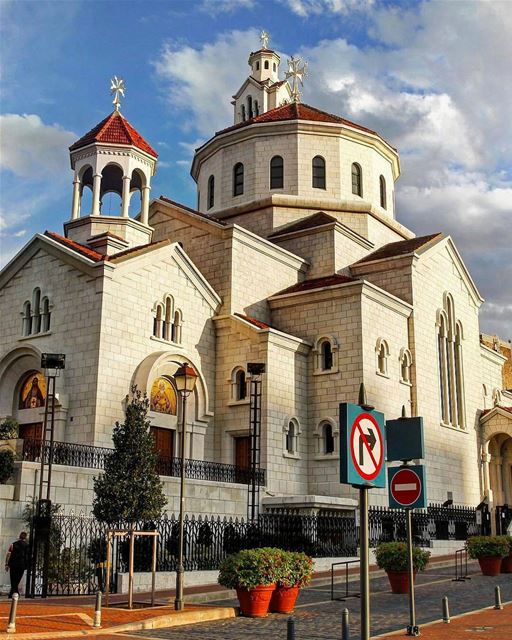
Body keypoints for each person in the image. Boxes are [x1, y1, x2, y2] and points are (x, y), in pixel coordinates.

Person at [5, 532, 29, 598]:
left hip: (13, 564)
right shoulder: (27, 545)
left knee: (13, 579)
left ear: (19, 536)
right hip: (22, 565)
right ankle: (15, 593)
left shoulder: (13, 544)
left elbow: (8, 554)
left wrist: (6, 564)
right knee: (18, 579)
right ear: (25, 537)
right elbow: (28, 556)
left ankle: (13, 593)